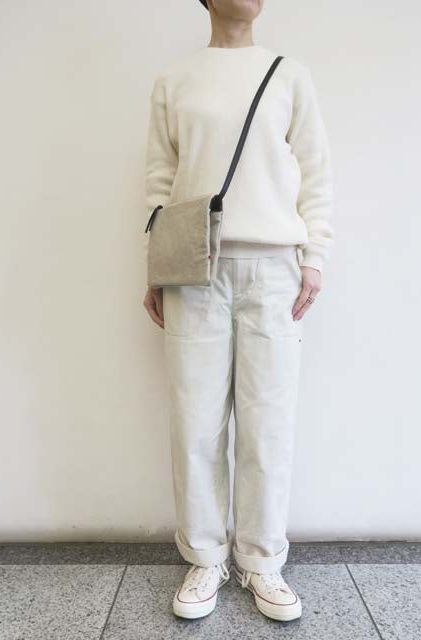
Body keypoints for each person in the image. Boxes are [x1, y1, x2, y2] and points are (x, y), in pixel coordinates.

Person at [143, 0, 333, 623]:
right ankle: (205, 557)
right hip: (194, 266)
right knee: (194, 422)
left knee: (268, 424)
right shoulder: (174, 80)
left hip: (274, 268)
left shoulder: (289, 74)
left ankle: (262, 560)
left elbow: (316, 175)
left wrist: (315, 257)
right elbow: (159, 180)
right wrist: (156, 265)